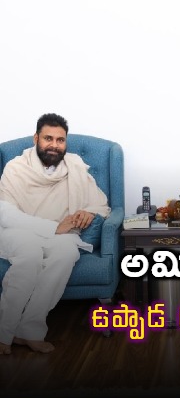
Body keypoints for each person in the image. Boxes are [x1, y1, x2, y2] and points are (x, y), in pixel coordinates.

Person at [0, 113, 110, 354]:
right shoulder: (16, 168)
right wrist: (53, 227)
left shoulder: (75, 166)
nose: (54, 145)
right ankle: (3, 334)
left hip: (59, 235)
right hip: (18, 232)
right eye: (48, 138)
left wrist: (88, 212)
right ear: (36, 139)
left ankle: (29, 331)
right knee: (29, 256)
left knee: (67, 252)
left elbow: (101, 203)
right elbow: (5, 214)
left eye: (60, 140)